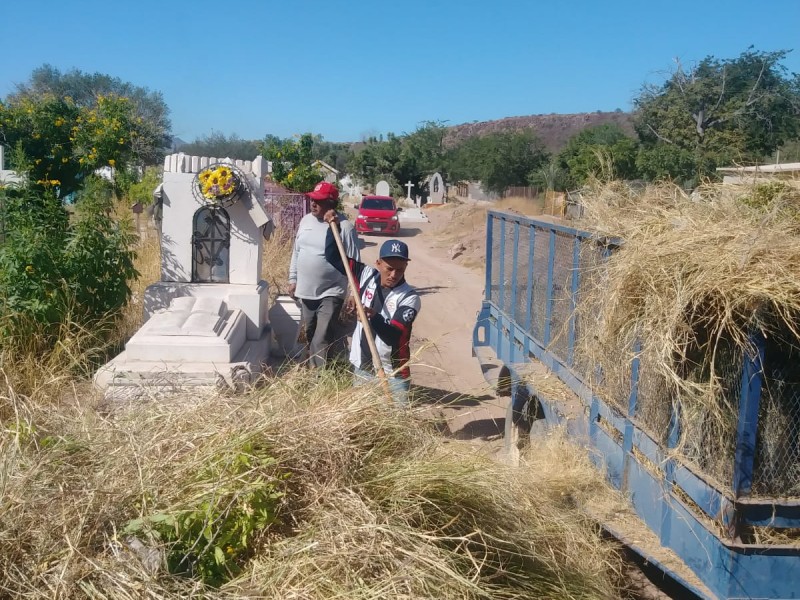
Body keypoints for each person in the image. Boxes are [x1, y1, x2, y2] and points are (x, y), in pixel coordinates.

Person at [324, 209, 421, 406]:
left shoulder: (410, 298)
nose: (394, 274)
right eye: (389, 268)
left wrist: (372, 315)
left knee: (395, 424)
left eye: (399, 270)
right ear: (378, 263)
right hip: (363, 368)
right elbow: (334, 257)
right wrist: (331, 227)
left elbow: (393, 336)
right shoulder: (366, 274)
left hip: (393, 374)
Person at [288, 181, 360, 368]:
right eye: (312, 199)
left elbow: (354, 262)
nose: (313, 203)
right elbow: (297, 252)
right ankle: (315, 369)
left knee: (321, 337)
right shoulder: (305, 221)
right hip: (306, 291)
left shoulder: (344, 227)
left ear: (331, 203)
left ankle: (320, 379)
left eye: (318, 201)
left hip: (331, 292)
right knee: (311, 334)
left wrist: (353, 292)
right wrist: (292, 278)